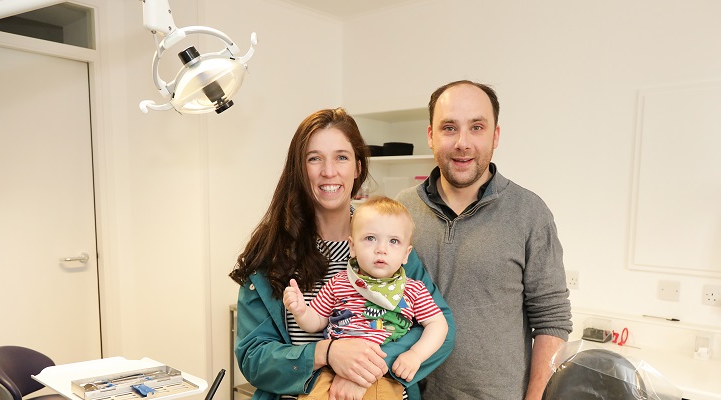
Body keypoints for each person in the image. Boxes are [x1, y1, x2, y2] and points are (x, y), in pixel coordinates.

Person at [230, 108, 455, 400]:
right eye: (314, 158)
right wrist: (327, 352)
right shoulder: (271, 256)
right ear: (300, 169)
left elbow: (441, 330)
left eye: (341, 157)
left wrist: (365, 371)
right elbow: (253, 358)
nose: (329, 171)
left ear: (358, 168)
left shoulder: (389, 248)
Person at [396, 80, 573, 400]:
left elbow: (552, 319)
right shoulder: (400, 210)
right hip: (406, 394)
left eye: (476, 127)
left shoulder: (529, 213)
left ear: (495, 135)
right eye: (449, 127)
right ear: (430, 136)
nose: (462, 142)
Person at [284, 196, 449, 400]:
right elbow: (316, 322)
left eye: (394, 241)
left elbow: (438, 324)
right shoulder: (340, 282)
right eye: (370, 238)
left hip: (383, 375)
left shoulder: (413, 289)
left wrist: (416, 354)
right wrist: (301, 311)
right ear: (352, 247)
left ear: (406, 255)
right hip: (334, 370)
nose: (381, 249)